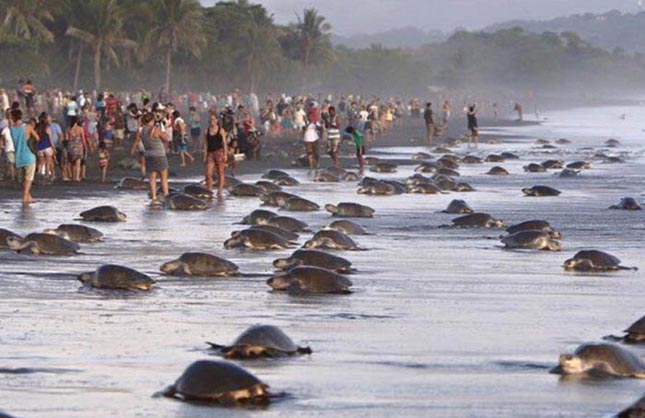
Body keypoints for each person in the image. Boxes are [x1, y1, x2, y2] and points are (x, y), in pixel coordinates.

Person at [10, 109, 38, 205]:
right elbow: (37, 138)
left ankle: (28, 197)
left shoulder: (12, 129)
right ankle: (25, 197)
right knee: (29, 178)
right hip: (29, 155)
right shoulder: (27, 127)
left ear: (13, 117)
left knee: (23, 179)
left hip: (18, 156)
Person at [139, 112, 169, 202]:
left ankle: (154, 196)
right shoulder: (155, 129)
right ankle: (166, 195)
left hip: (148, 154)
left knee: (152, 176)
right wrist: (162, 128)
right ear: (152, 120)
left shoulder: (142, 130)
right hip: (159, 154)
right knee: (163, 176)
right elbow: (165, 139)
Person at [204, 113, 227, 197]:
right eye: (211, 120)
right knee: (208, 173)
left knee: (220, 172)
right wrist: (205, 155)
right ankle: (209, 190)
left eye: (213, 119)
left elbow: (224, 143)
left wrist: (225, 154)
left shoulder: (221, 130)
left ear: (217, 120)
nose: (212, 121)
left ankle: (219, 191)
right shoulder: (207, 131)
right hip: (210, 153)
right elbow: (206, 144)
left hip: (219, 152)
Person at [66, 116, 87, 182]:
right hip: (78, 147)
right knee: (78, 162)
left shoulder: (68, 129)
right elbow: (83, 139)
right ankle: (77, 177)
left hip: (70, 146)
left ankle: (72, 176)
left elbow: (66, 139)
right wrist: (85, 147)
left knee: (72, 162)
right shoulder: (80, 129)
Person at [35, 112, 55, 181]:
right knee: (48, 163)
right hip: (47, 147)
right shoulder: (48, 129)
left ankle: (39, 174)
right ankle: (47, 175)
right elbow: (51, 140)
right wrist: (54, 148)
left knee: (40, 163)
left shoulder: (37, 129)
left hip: (40, 148)